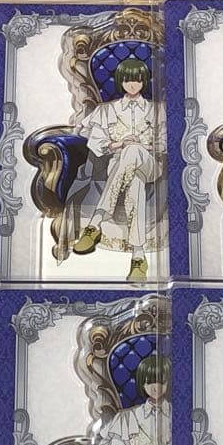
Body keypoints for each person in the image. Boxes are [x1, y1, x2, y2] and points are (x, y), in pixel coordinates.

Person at [71, 58, 164, 281]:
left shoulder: (157, 110)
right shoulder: (106, 110)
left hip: (150, 164)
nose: (132, 84)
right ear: (121, 81)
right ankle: (138, 256)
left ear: (144, 81)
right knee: (135, 185)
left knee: (134, 151)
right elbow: (95, 142)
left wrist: (141, 146)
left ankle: (96, 222)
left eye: (137, 80)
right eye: (128, 80)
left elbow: (164, 143)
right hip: (118, 165)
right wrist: (119, 144)